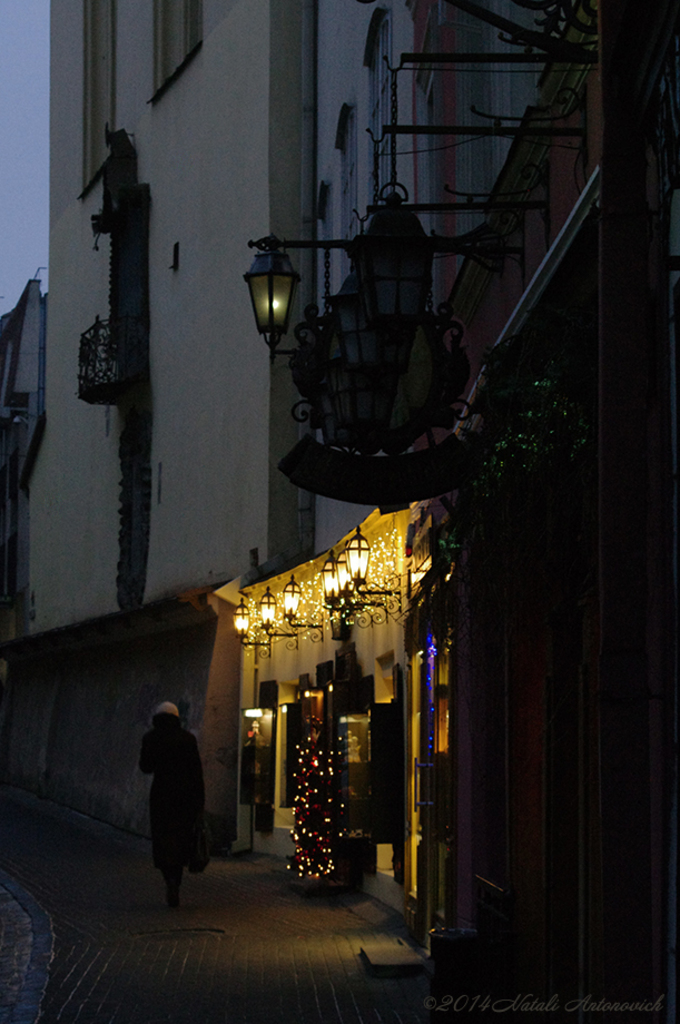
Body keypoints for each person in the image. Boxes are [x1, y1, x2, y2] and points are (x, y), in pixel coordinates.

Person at [139, 701, 205, 907]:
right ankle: (176, 879)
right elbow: (196, 772)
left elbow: (145, 767)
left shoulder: (150, 738)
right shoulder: (188, 739)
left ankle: (169, 879)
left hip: (161, 795)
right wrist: (199, 801)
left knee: (163, 840)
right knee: (181, 839)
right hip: (185, 797)